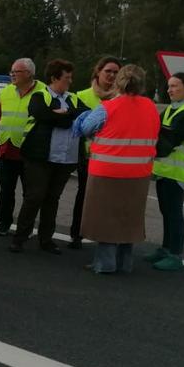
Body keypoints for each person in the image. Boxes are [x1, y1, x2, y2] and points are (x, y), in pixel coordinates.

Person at [73, 64, 160, 274]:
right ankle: (125, 263)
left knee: (106, 219)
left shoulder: (108, 107)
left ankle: (105, 263)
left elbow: (86, 129)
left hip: (107, 173)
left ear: (119, 81)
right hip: (139, 174)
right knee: (128, 219)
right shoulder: (151, 107)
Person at [11, 59, 84, 254]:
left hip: (65, 158)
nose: (70, 81)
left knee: (53, 199)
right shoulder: (39, 96)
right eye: (67, 78)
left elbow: (86, 115)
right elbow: (43, 115)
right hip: (39, 156)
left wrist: (64, 114)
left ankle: (46, 239)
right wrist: (67, 118)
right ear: (54, 78)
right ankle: (20, 237)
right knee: (34, 197)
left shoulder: (73, 99)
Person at [147, 72, 184, 271]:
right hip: (166, 170)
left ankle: (175, 254)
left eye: (175, 86)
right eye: (169, 86)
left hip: (178, 172)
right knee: (167, 212)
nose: (170, 90)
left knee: (173, 214)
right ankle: (165, 249)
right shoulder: (174, 108)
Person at [68, 56, 120, 249]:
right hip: (87, 156)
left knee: (108, 200)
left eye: (116, 72)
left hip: (112, 157)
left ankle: (103, 237)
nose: (112, 76)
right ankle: (76, 234)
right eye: (108, 71)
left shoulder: (120, 98)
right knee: (84, 195)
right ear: (98, 72)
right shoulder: (81, 95)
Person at [0, 58, 49, 236]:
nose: (12, 75)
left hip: (30, 152)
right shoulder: (6, 92)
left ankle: (26, 227)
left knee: (30, 194)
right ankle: (4, 223)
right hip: (6, 147)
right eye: (11, 71)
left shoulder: (44, 92)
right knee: (6, 191)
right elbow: (0, 115)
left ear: (29, 74)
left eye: (15, 72)